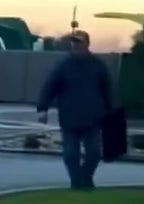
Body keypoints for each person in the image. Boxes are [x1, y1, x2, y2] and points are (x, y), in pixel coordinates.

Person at [36, 30, 113, 191]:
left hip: (93, 118)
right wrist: (42, 108)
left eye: (79, 42)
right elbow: (50, 87)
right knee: (71, 155)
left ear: (87, 44)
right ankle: (77, 183)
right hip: (69, 118)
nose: (75, 45)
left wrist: (111, 113)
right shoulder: (64, 66)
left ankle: (85, 178)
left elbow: (108, 91)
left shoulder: (98, 65)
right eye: (73, 42)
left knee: (94, 153)